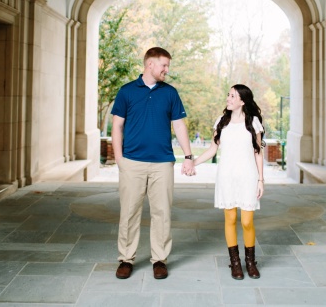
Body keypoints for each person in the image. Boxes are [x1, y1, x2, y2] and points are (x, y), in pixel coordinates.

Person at [110, 47, 196, 280]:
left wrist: (188, 157)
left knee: (162, 213)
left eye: (168, 66)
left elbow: (179, 126)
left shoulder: (170, 93)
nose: (167, 70)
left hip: (162, 164)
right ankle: (126, 259)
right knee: (129, 213)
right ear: (150, 64)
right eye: (164, 65)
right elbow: (116, 126)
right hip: (132, 163)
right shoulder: (126, 91)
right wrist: (120, 160)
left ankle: (160, 259)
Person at [193, 84, 265, 280]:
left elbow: (258, 152)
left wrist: (261, 179)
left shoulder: (253, 122)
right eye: (228, 95)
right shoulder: (221, 122)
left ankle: (250, 262)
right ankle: (235, 263)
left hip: (248, 176)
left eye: (232, 96)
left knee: (247, 221)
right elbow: (211, 150)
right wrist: (193, 162)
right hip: (226, 176)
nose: (228, 98)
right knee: (230, 219)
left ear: (242, 101)